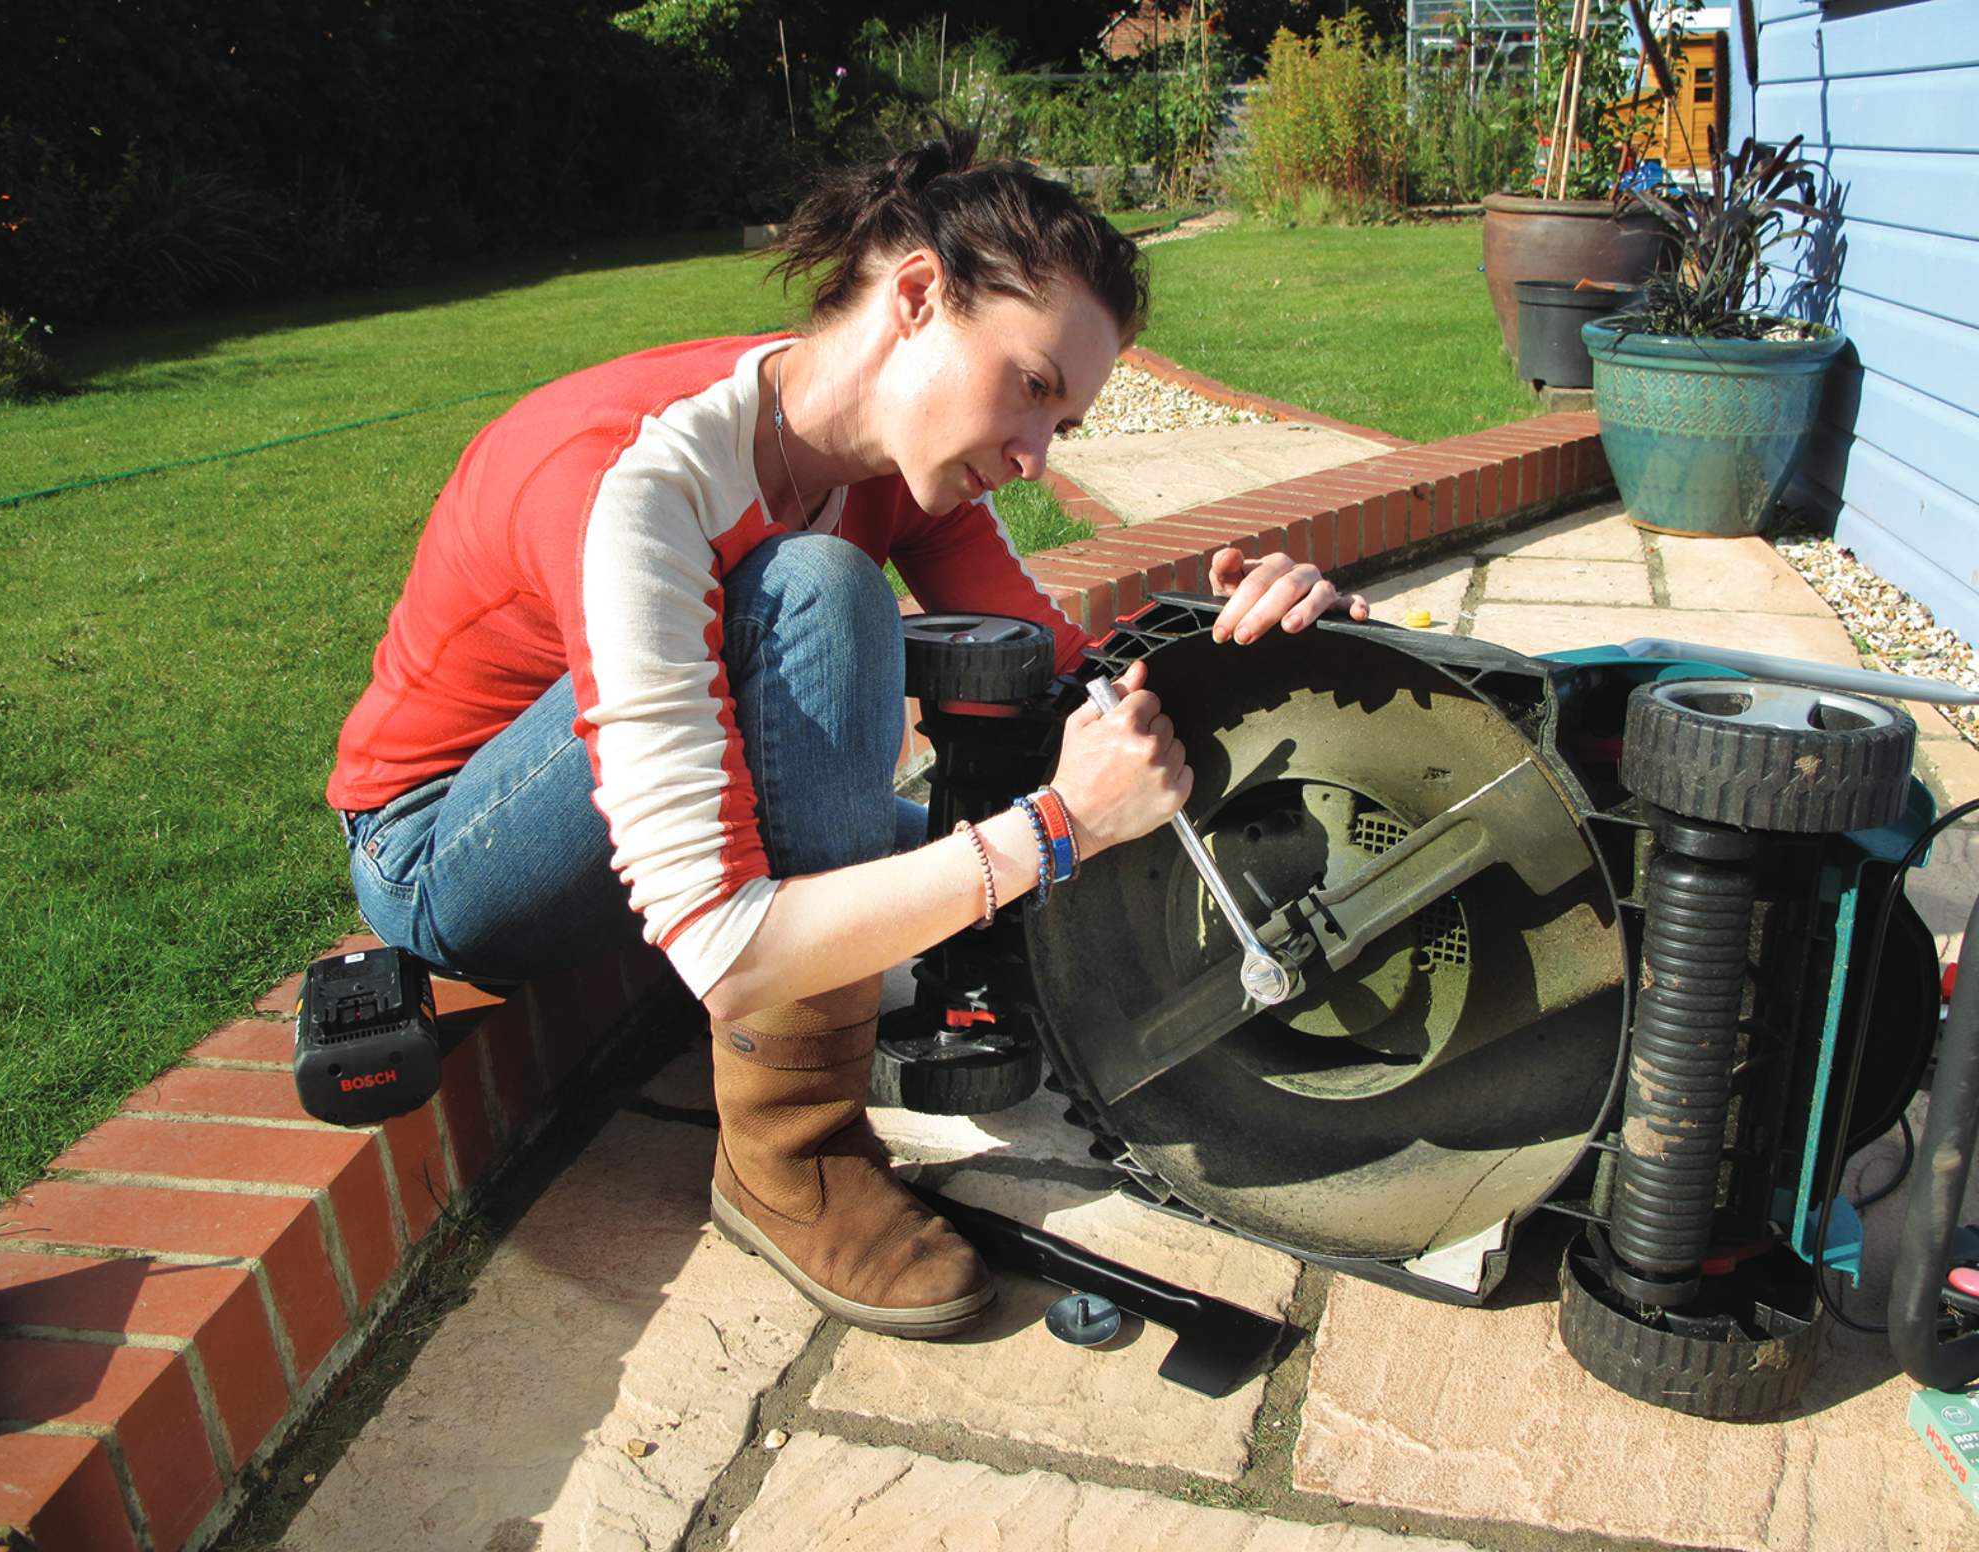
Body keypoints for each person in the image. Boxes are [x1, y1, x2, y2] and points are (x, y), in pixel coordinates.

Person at [326, 129, 1367, 1342]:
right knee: (819, 592)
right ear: (916, 296)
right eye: (1031, 387)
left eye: (1062, 424)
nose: (1033, 458)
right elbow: (724, 939)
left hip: (647, 813)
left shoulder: (884, 460)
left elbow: (1060, 684)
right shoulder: (632, 479)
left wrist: (1245, 632)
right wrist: (1051, 829)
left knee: (1017, 849)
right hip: (450, 845)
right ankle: (791, 1156)